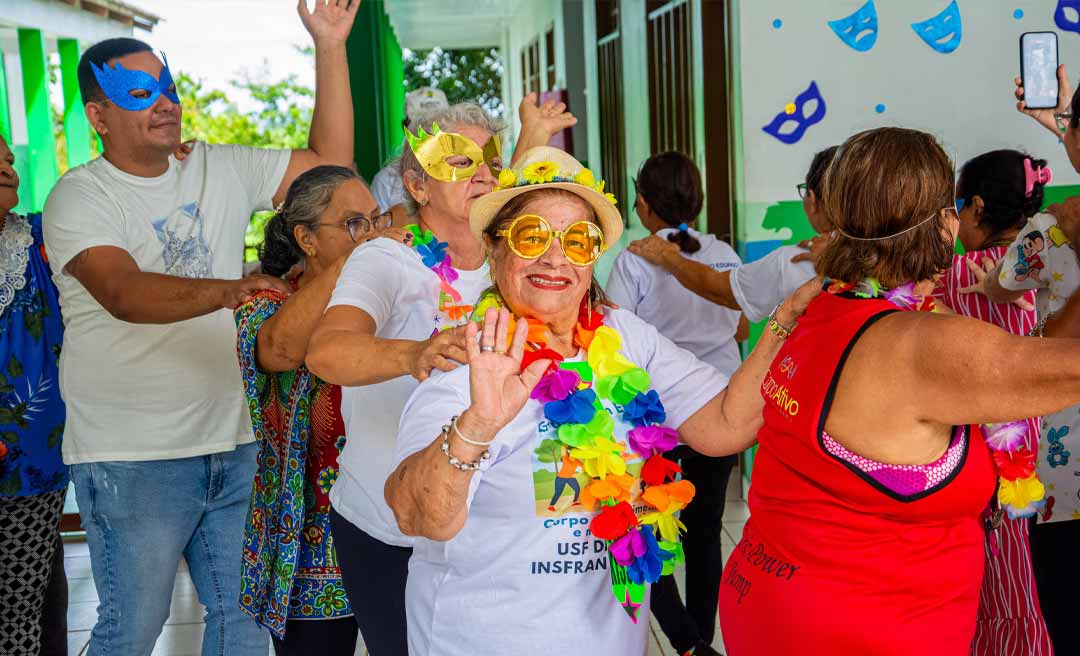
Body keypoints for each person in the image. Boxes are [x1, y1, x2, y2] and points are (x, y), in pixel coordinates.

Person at [381, 147, 818, 655]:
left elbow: (725, 424)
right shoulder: (467, 360)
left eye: (578, 241)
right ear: (494, 249)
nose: (555, 257)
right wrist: (478, 424)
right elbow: (419, 517)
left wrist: (784, 321)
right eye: (531, 236)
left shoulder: (625, 337)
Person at [41, 2, 359, 654]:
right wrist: (231, 290)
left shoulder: (219, 165)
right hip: (131, 455)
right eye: (139, 92)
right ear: (98, 117)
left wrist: (329, 45)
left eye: (168, 85)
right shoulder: (80, 195)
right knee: (133, 628)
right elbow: (123, 292)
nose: (164, 102)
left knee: (243, 624)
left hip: (231, 440)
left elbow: (331, 165)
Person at [716, 126, 1080, 654]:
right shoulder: (921, 345)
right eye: (948, 205)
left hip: (771, 601)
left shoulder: (825, 308)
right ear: (941, 224)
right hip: (855, 631)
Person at [305, 106, 574, 653]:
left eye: (490, 163)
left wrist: (535, 134)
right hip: (389, 526)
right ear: (416, 186)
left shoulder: (519, 259)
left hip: (489, 525)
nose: (482, 173)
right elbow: (326, 352)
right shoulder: (388, 259)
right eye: (460, 160)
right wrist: (419, 352)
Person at [235, 166, 410, 654]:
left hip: (387, 529)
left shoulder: (390, 304)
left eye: (375, 221)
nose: (372, 234)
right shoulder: (266, 304)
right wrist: (363, 257)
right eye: (355, 224)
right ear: (306, 239)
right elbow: (280, 350)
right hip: (308, 548)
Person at [606, 151, 740, 656]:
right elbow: (741, 324)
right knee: (704, 532)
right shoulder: (724, 252)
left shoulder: (635, 257)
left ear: (642, 201)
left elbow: (614, 334)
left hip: (656, 419)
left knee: (646, 530)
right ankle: (703, 639)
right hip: (720, 405)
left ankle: (683, 642)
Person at [934, 149, 1051, 655]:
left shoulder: (964, 276)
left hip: (997, 467)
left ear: (976, 207)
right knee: (1044, 595)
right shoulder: (1056, 265)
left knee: (1005, 590)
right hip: (1057, 456)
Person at [625, 145, 836, 323]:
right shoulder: (723, 252)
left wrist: (667, 256)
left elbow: (721, 291)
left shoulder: (793, 261)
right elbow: (741, 331)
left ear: (812, 199)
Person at [0, 134, 67, 655]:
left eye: (7, 158)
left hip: (32, 462)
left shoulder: (40, 239)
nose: (7, 167)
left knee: (27, 609)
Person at [369, 87, 449, 212]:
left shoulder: (468, 172)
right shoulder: (387, 181)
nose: (430, 133)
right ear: (405, 127)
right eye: (421, 125)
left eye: (438, 125)